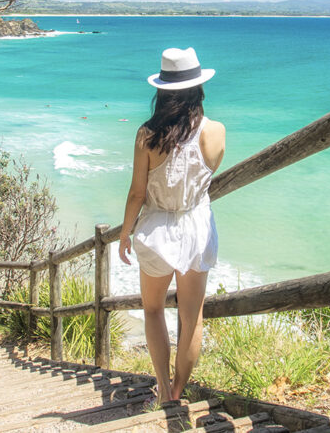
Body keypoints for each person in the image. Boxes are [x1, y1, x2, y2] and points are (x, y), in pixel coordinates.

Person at [119, 47, 226, 404]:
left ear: (162, 91)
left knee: (152, 310)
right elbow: (206, 176)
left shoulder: (147, 135)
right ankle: (179, 391)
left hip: (156, 230)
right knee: (192, 317)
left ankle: (163, 390)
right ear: (198, 89)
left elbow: (137, 193)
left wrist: (123, 234)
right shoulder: (216, 132)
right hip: (197, 227)